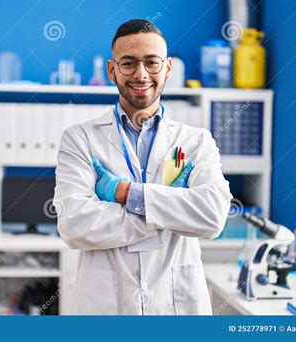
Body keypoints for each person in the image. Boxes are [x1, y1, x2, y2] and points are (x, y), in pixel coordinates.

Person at [53, 19, 232, 315]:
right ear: (112, 70)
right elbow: (75, 225)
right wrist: (168, 210)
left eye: (152, 62)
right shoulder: (80, 139)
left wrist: (126, 193)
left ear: (168, 69)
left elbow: (212, 216)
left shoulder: (197, 141)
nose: (140, 74)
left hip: (176, 305)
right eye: (128, 63)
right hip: (106, 307)